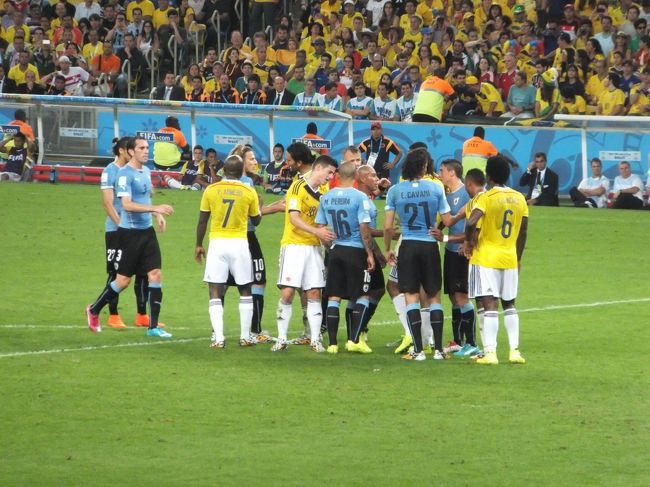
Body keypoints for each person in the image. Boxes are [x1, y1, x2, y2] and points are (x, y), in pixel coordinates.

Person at [86, 136, 174, 338]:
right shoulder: (123, 175)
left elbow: (145, 198)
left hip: (147, 232)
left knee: (155, 275)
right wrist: (155, 208)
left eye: (147, 148)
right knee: (123, 280)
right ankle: (94, 309)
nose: (146, 151)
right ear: (131, 152)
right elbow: (126, 205)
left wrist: (157, 215)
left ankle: (153, 327)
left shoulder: (146, 171)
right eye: (142, 148)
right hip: (130, 234)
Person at [383, 148, 453, 361]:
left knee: (411, 296)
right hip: (429, 244)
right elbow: (448, 220)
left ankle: (418, 350)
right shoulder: (436, 188)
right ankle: (439, 350)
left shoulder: (395, 190)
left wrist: (388, 249)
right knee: (433, 296)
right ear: (424, 167)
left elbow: (387, 227)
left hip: (409, 245)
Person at [463, 155, 528, 365]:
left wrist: (468, 243)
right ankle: (514, 351)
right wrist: (517, 258)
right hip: (509, 257)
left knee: (489, 303)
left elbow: (471, 221)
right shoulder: (519, 198)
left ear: (488, 176)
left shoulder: (486, 197)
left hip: (487, 258)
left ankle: (490, 353)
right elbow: (523, 232)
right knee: (510, 304)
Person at [271, 155, 338, 353]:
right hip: (293, 246)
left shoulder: (324, 192)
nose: (331, 176)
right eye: (330, 172)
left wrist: (325, 241)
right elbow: (294, 218)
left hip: (313, 248)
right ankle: (281, 338)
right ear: (319, 168)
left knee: (315, 292)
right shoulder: (297, 187)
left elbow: (320, 222)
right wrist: (317, 232)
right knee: (288, 292)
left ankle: (315, 340)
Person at [195, 154, 262, 348]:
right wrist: (259, 204)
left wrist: (199, 244)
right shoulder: (247, 190)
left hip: (217, 242)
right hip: (239, 243)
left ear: (224, 170)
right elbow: (256, 220)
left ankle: (218, 338)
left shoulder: (211, 189)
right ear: (241, 172)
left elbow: (202, 221)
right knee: (245, 289)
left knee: (215, 289)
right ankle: (244, 336)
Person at [316, 161, 375, 354]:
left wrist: (329, 245)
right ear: (355, 176)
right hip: (355, 250)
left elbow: (320, 228)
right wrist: (369, 253)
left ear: (337, 176)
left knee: (334, 296)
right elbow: (364, 228)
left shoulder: (326, 197)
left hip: (336, 250)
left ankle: (332, 344)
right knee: (363, 294)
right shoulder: (360, 198)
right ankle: (353, 340)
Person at [99, 137, 154, 329]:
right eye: (133, 149)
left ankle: (142, 315)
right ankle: (112, 315)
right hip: (117, 230)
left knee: (143, 272)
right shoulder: (109, 171)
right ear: (124, 151)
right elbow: (107, 203)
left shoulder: (140, 170)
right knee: (117, 272)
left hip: (137, 229)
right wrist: (122, 227)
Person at [430, 159, 479, 358]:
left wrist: (454, 240)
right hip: (450, 251)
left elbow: (472, 230)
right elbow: (445, 221)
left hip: (462, 252)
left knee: (461, 296)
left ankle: (472, 343)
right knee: (452, 295)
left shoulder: (465, 195)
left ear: (452, 172)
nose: (438, 174)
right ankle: (458, 341)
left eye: (441, 171)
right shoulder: (447, 194)